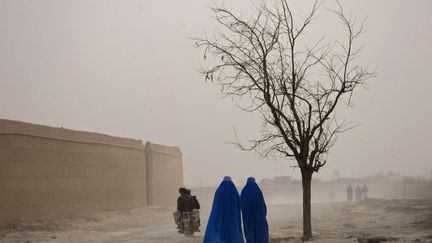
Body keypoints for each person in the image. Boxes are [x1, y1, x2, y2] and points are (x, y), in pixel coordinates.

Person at [203, 176, 244, 243]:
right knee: (232, 230)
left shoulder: (219, 191)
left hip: (220, 215)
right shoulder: (234, 191)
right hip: (233, 216)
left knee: (221, 228)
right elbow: (239, 204)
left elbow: (215, 205)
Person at [240, 177, 269, 243]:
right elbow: (263, 206)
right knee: (259, 229)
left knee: (249, 230)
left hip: (248, 217)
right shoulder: (258, 192)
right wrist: (262, 214)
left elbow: (240, 203)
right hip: (258, 216)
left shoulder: (244, 191)